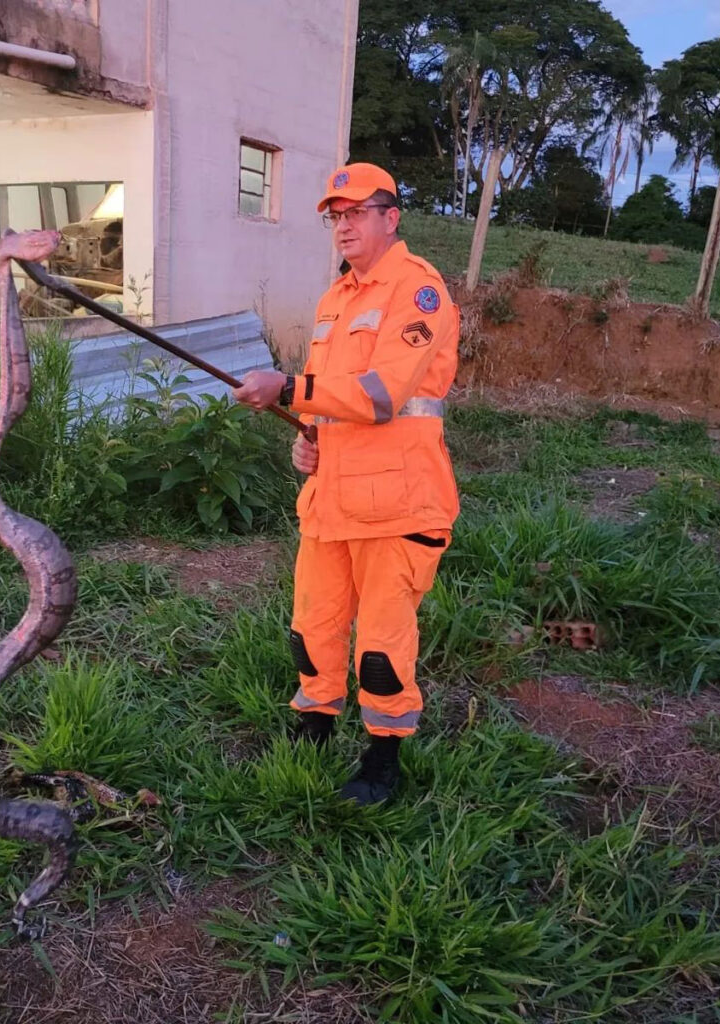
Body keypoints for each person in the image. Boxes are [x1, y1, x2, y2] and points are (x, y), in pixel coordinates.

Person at [231, 162, 459, 806]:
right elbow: (328, 402)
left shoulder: (420, 291)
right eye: (336, 216)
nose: (343, 226)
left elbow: (382, 395)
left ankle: (383, 760)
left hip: (397, 503)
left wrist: (287, 387)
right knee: (314, 627)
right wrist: (307, 438)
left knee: (383, 644)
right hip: (330, 498)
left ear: (392, 218)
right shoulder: (336, 297)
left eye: (357, 212)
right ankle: (315, 728)